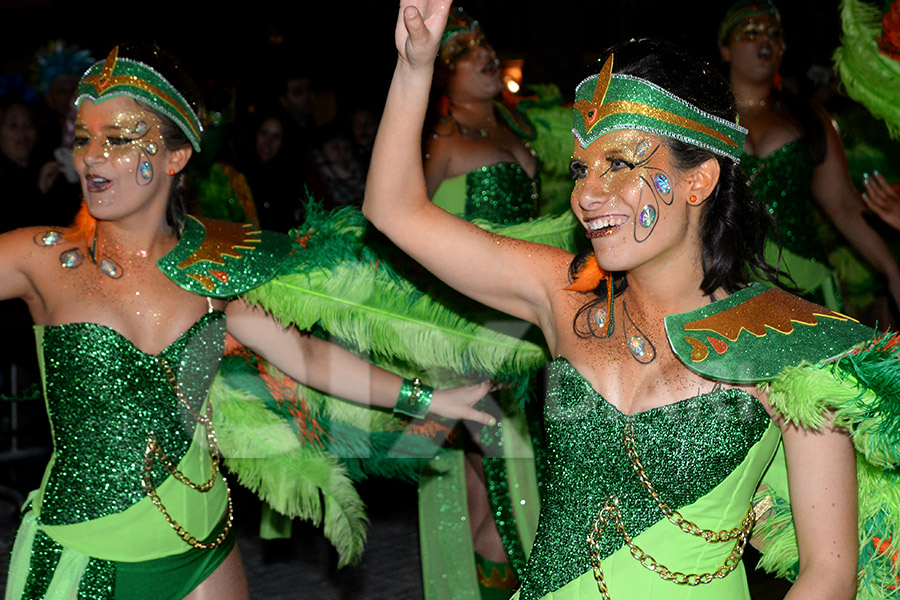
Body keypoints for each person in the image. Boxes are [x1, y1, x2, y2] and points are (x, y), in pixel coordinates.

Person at [360, 3, 900, 598]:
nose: (587, 193)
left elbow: (829, 573)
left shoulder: (786, 343)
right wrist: (415, 67)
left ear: (700, 179)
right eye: (580, 167)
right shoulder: (565, 295)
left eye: (618, 164)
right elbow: (394, 209)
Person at [0, 43, 494, 600]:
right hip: (84, 553)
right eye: (84, 138)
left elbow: (307, 358)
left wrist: (428, 399)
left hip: (200, 545)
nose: (91, 157)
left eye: (117, 139)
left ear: (175, 157)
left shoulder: (214, 271)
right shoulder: (40, 259)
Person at [719, 0, 900, 314]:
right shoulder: (704, 117)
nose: (765, 39)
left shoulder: (809, 118)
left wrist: (893, 270)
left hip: (805, 286)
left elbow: (843, 206)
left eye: (774, 34)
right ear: (725, 49)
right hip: (726, 283)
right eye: (750, 32)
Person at [425, 6, 539, 226]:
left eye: (483, 42)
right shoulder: (443, 134)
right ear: (440, 74)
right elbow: (406, 214)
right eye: (463, 51)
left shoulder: (512, 123)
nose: (484, 52)